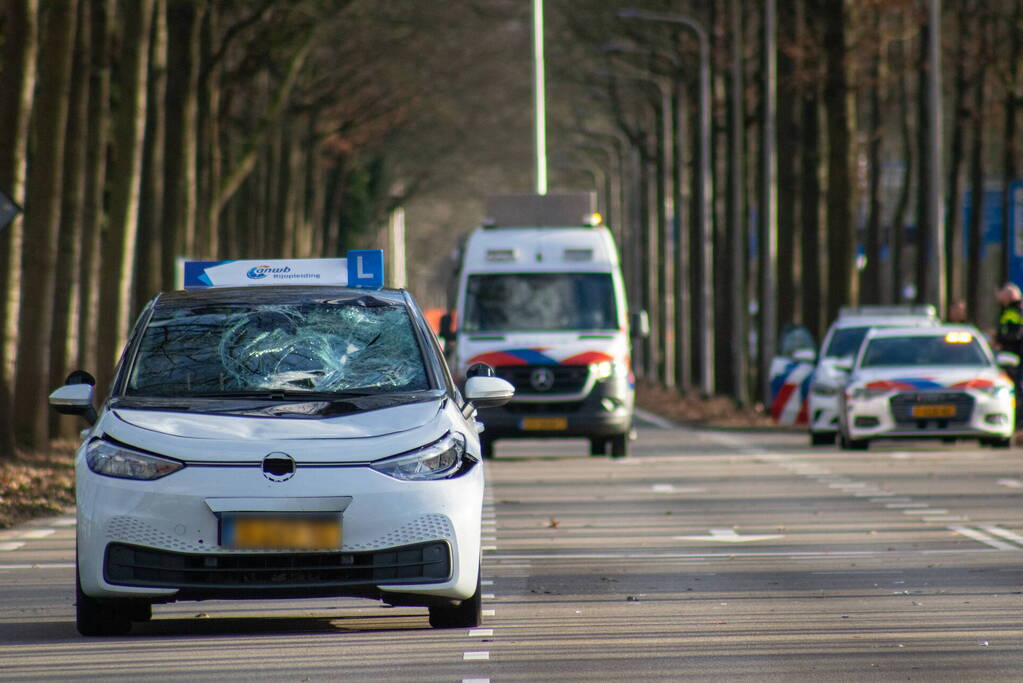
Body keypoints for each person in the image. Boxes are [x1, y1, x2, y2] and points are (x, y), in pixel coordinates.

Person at [995, 283, 1023, 427]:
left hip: (1014, 356)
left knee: (1015, 390)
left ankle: (1018, 422)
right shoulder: (1010, 310)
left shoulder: (1017, 310)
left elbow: (1017, 334)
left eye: (1003, 296)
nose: (1000, 299)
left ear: (1010, 296)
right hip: (1011, 356)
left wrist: (1001, 339)